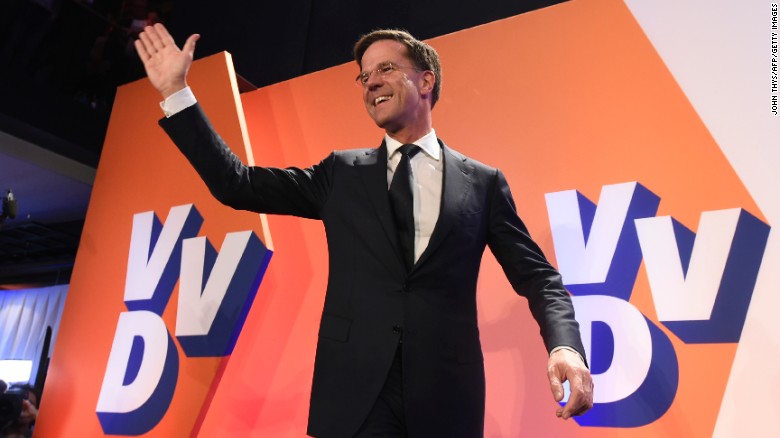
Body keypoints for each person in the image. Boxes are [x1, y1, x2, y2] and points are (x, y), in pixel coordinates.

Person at [135, 23, 593, 437]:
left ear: (426, 81)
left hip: (445, 395)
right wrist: (177, 93)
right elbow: (237, 184)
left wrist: (565, 348)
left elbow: (539, 278)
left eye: (386, 68)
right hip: (356, 393)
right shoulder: (340, 173)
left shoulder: (484, 183)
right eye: (364, 75)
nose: (370, 80)